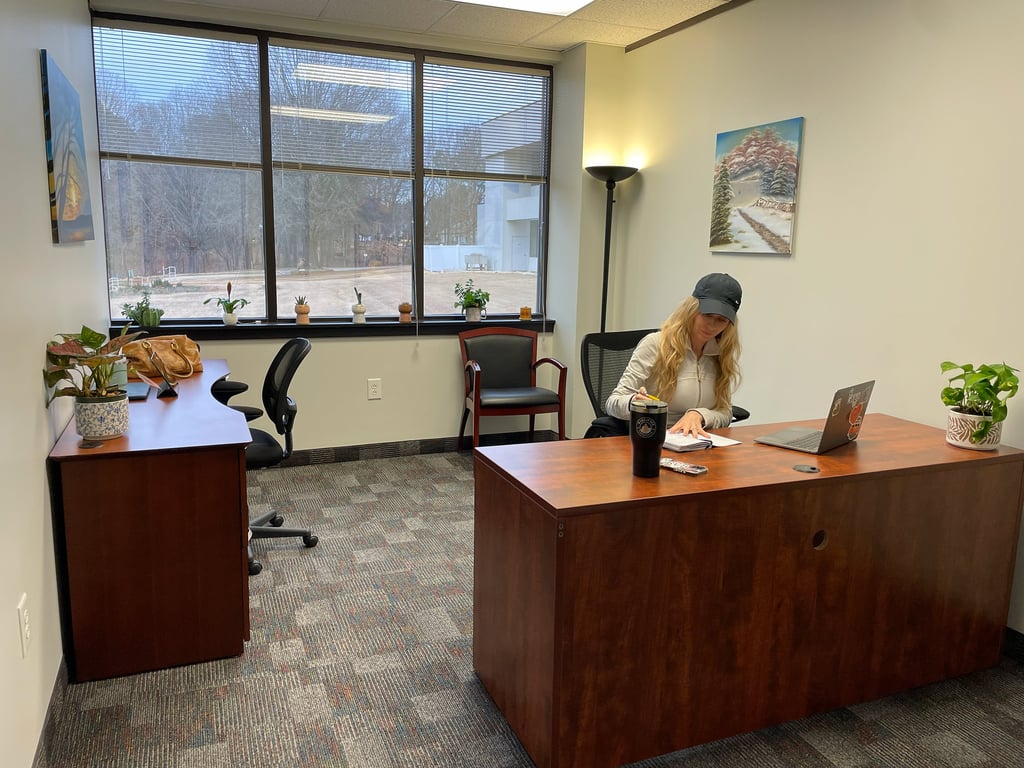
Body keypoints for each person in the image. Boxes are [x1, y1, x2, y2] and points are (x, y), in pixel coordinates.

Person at [605, 273, 742, 438]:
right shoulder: (656, 344)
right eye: (707, 315)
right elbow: (612, 403)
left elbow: (725, 411)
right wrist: (634, 403)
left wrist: (700, 415)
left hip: (699, 443)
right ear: (691, 309)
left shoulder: (720, 352)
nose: (712, 326)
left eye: (721, 320)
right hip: (653, 439)